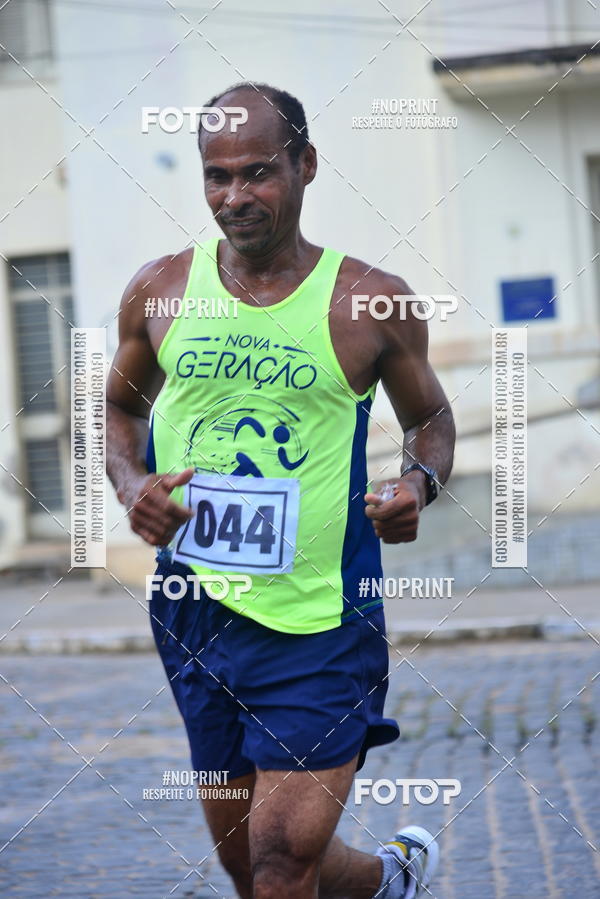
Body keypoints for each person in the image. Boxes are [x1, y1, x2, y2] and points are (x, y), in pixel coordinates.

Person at [107, 82, 455, 899]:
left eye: (258, 172)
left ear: (306, 164)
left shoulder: (369, 302)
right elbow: (120, 408)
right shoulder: (158, 292)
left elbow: (431, 418)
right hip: (195, 612)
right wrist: (131, 485)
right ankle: (388, 881)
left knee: (278, 862)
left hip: (321, 621)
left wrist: (419, 480)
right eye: (216, 176)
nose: (234, 198)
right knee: (248, 863)